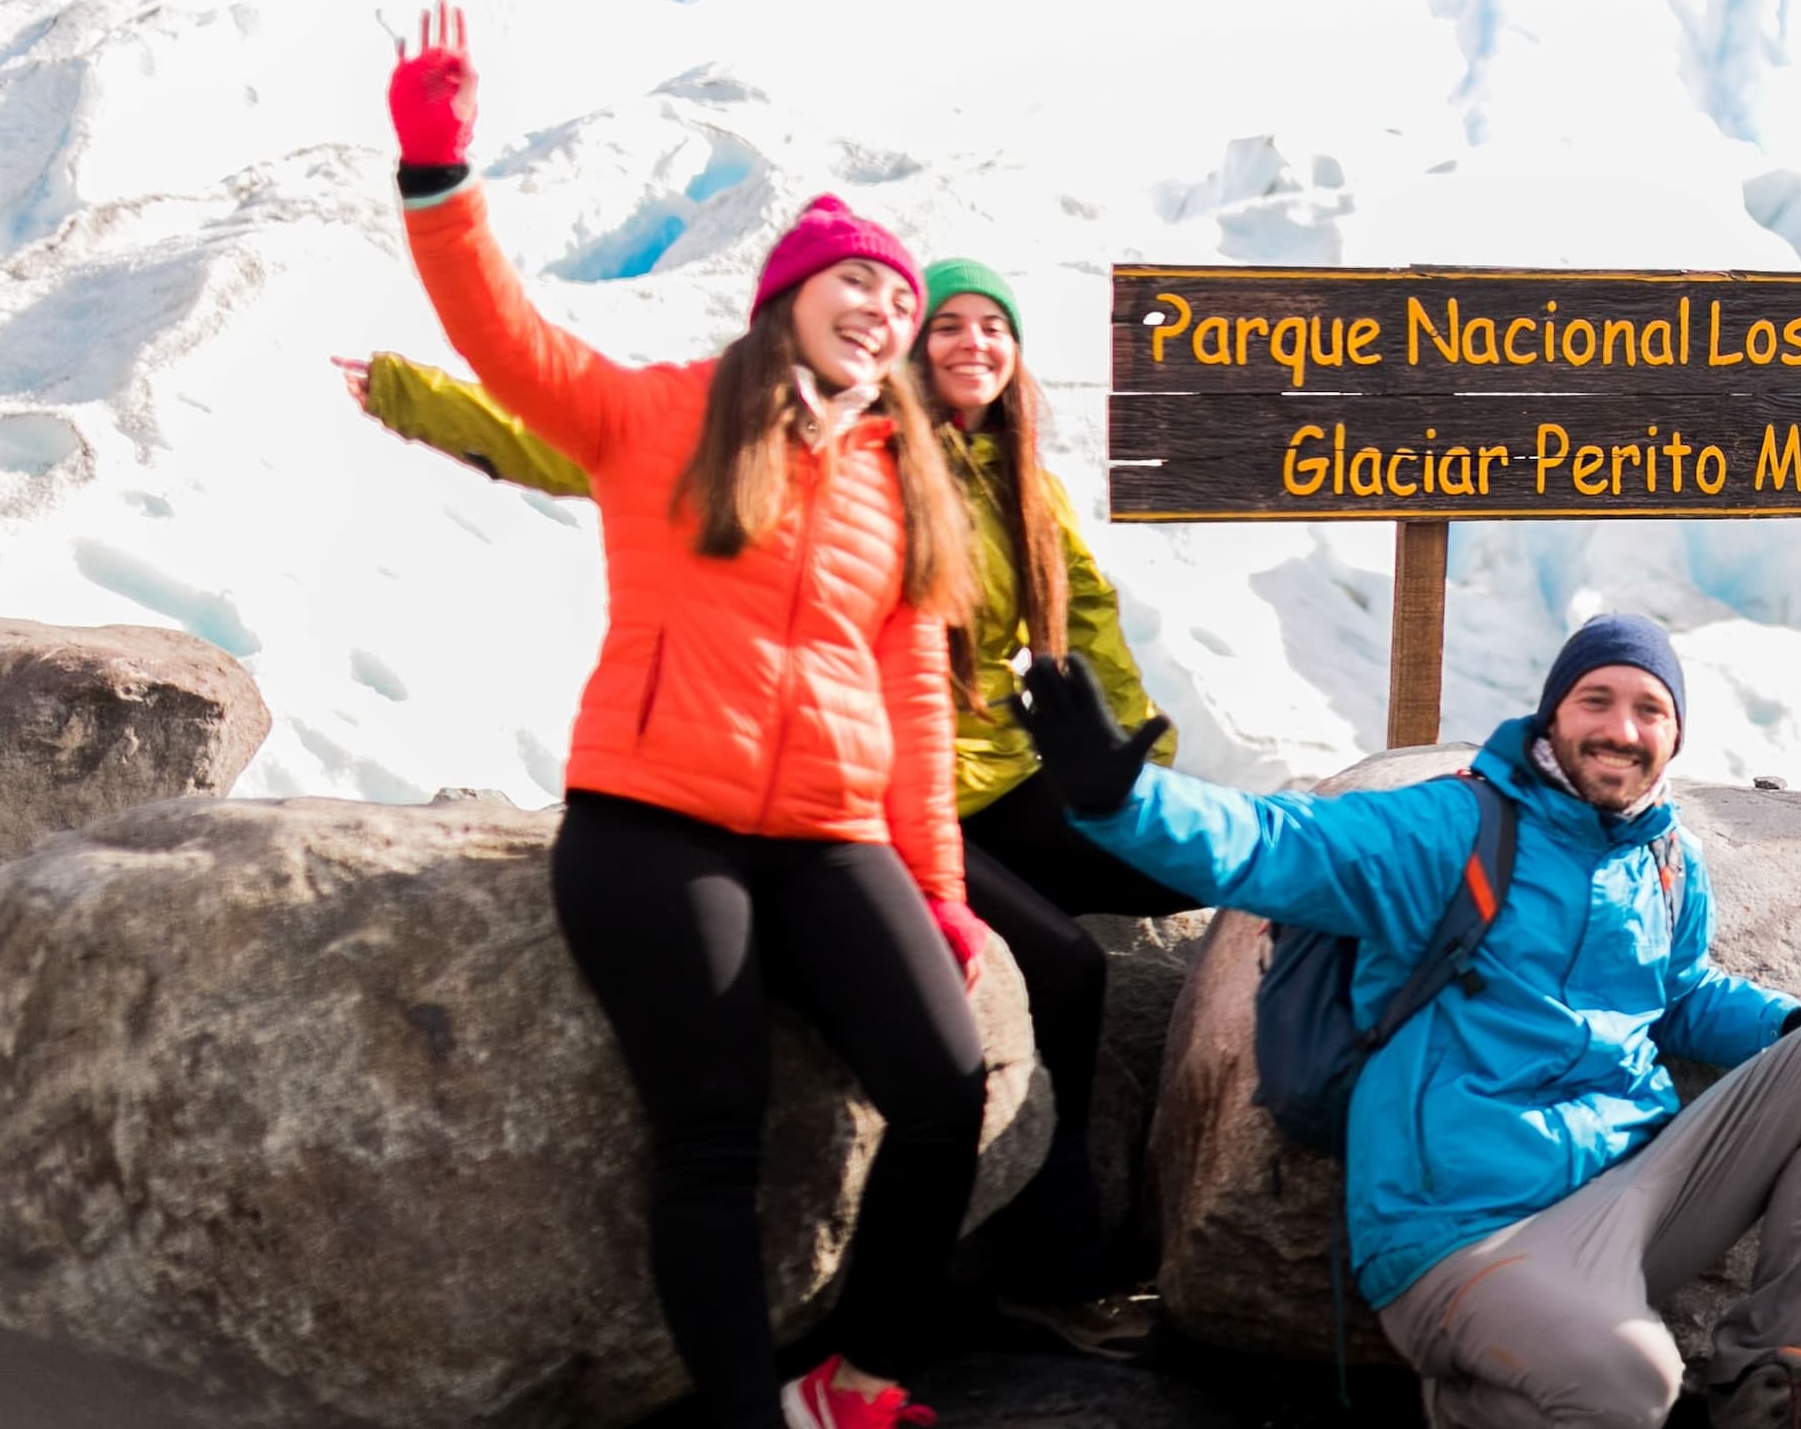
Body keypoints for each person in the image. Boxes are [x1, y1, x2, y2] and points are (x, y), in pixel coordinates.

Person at [382, 3, 989, 1429]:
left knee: (942, 1088)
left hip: (829, 836)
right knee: (710, 1131)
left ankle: (851, 1386)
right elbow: (502, 333)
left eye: (898, 290)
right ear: (788, 297)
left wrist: (938, 881)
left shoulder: (899, 478)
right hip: (655, 824)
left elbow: (916, 698)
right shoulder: (660, 414)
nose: (879, 305)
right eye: (853, 277)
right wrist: (440, 169)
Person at [341, 259, 1192, 1328]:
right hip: (889, 789)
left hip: (1004, 778)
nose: (973, 343)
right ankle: (1056, 1257)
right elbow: (588, 448)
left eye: (994, 329)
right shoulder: (859, 459)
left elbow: (1093, 629)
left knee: (1183, 873)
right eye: (948, 326)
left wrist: (1131, 778)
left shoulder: (1026, 485)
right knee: (1062, 968)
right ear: (908, 349)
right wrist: (420, 399)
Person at [1016, 613, 1801, 1429]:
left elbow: (1678, 994)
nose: (1622, 727)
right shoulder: (1452, 823)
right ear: (1551, 715)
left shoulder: (1663, 856)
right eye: (1598, 699)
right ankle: (1474, 1410)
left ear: (1673, 737)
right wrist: (1124, 800)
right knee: (1630, 1398)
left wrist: (1794, 1019)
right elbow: (1277, 842)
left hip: (1625, 1196)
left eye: (1649, 708)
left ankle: (1764, 1404)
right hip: (1465, 1227)